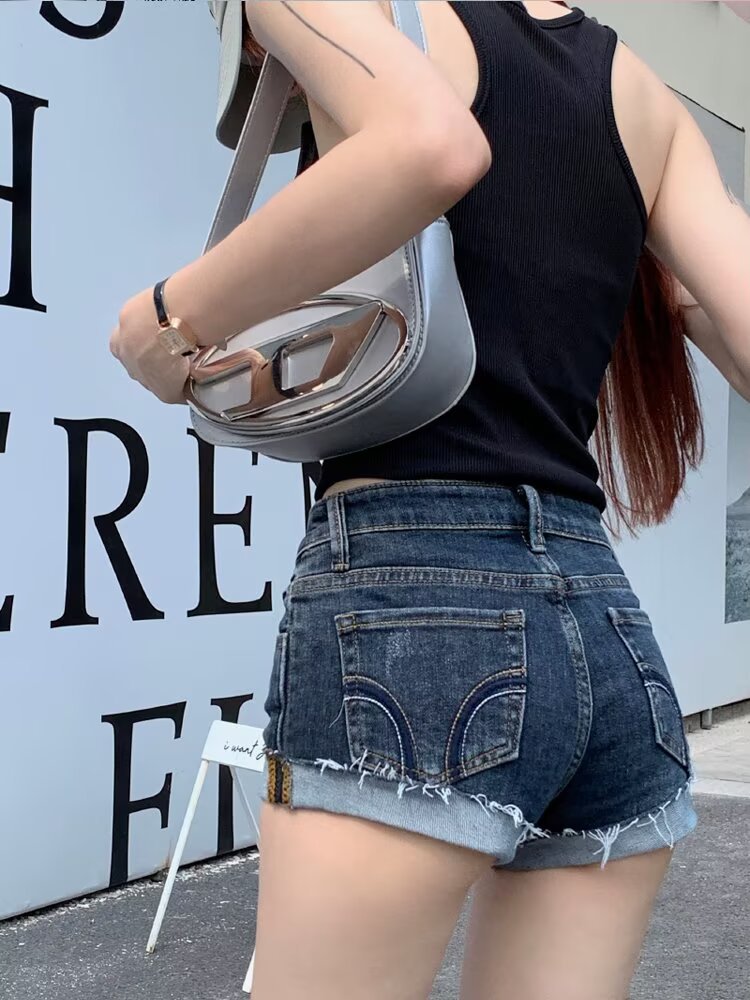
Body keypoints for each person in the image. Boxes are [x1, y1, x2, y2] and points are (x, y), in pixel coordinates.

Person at [110, 2, 750, 997]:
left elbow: (430, 144)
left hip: (412, 606)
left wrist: (161, 323)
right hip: (609, 634)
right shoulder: (645, 96)